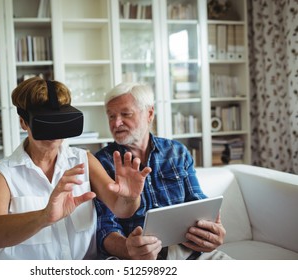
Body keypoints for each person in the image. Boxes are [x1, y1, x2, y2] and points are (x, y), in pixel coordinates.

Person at [0, 77, 151, 260]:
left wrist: (130, 197)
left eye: (59, 122)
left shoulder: (84, 160)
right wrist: (44, 217)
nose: (53, 132)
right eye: (45, 123)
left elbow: (122, 209)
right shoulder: (3, 173)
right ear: (24, 122)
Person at [94, 82, 231, 260]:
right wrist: (129, 248)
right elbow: (105, 229)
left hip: (189, 251)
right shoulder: (101, 163)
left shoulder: (177, 152)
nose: (116, 123)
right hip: (137, 259)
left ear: (149, 114)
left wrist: (211, 231)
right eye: (111, 116)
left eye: (125, 114)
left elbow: (197, 202)